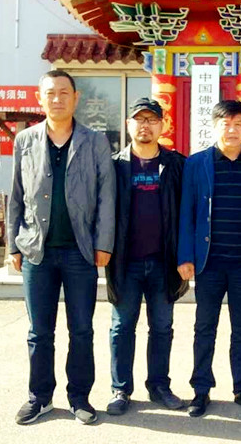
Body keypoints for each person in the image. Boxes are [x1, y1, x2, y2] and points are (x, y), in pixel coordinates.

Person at [8, 70, 115, 425]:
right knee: (40, 332)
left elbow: (107, 196)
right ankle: (39, 397)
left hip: (80, 251)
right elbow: (16, 196)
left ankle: (79, 397)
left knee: (81, 329)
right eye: (50, 93)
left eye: (64, 92)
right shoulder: (25, 140)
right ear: (40, 98)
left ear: (76, 97)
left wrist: (104, 242)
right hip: (37, 251)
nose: (57, 99)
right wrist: (13, 245)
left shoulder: (95, 141)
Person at [177, 100, 241, 418]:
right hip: (208, 264)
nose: (232, 129)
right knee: (204, 328)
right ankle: (200, 390)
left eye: (238, 123)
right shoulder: (197, 164)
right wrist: (185, 256)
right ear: (215, 126)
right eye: (225, 123)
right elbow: (186, 214)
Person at [105, 97, 187, 416]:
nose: (145, 125)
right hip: (125, 263)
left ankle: (159, 385)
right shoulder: (114, 166)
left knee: (162, 327)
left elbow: (189, 212)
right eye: (139, 119)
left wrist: (186, 255)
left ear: (162, 125)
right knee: (122, 327)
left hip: (163, 262)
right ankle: (120, 389)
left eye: (152, 120)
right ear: (128, 125)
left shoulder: (176, 165)